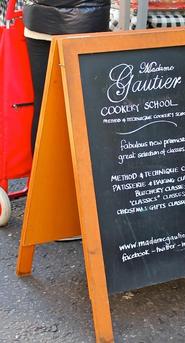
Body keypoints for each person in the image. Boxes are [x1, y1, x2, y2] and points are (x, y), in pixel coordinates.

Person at [23, 0, 111, 241]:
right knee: (86, 112)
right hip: (86, 22)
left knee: (44, 111)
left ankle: (49, 209)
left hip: (38, 19)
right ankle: (80, 213)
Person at [23, 0, 111, 152]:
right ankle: (89, 172)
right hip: (89, 23)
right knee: (88, 107)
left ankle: (44, 173)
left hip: (40, 20)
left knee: (44, 107)